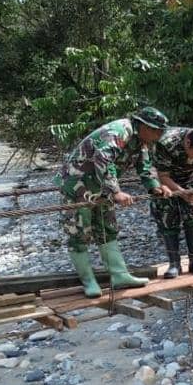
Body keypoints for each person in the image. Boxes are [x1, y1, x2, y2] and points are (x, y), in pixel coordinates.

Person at [55, 106, 168, 298]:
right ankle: (89, 281)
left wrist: (154, 186)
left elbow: (145, 166)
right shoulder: (120, 131)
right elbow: (103, 160)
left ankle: (119, 275)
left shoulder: (141, 140)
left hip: (101, 187)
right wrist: (116, 191)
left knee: (107, 228)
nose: (159, 135)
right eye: (156, 131)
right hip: (78, 185)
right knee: (79, 232)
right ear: (143, 126)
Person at [152, 126, 193, 279]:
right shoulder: (167, 143)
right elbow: (162, 175)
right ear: (188, 143)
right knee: (167, 219)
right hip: (164, 183)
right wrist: (181, 193)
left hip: (190, 180)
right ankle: (174, 264)